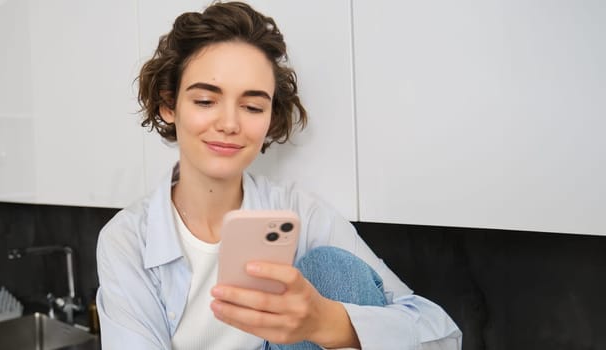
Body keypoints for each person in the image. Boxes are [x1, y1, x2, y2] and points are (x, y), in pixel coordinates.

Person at [96, 2, 462, 349]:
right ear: (168, 105)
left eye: (253, 106)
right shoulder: (128, 240)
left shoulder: (301, 215)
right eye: (206, 101)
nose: (229, 124)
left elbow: (444, 337)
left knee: (332, 268)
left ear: (270, 118)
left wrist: (329, 323)